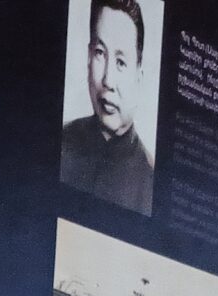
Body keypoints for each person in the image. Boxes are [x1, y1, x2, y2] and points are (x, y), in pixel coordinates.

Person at [58, 0, 154, 215]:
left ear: (139, 77)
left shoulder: (152, 180)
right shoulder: (59, 140)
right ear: (88, 57)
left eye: (121, 62)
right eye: (100, 53)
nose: (108, 80)